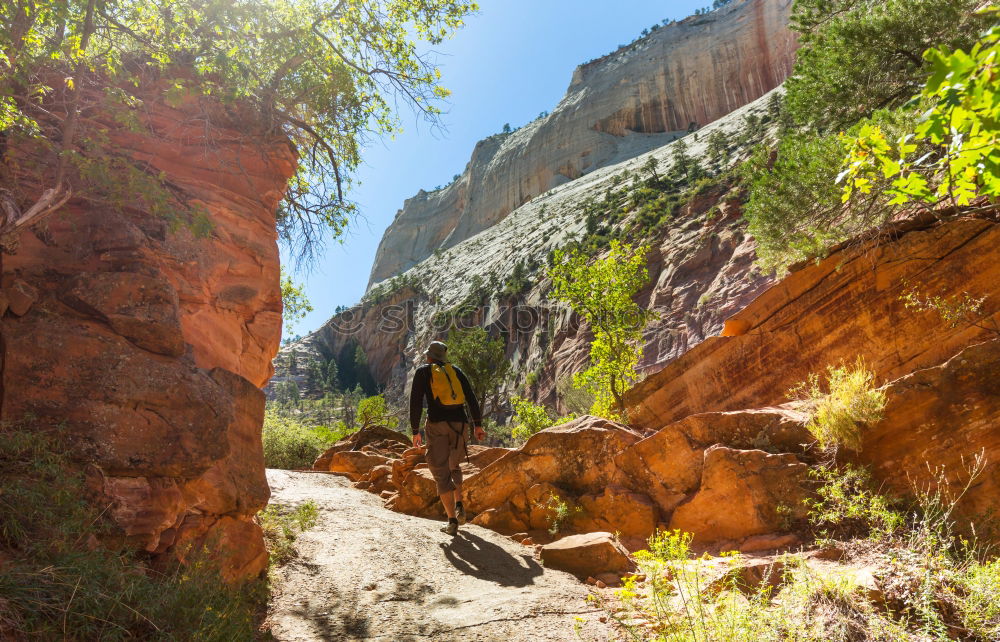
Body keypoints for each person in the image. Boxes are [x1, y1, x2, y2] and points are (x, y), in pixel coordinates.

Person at [409, 340, 486, 535]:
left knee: (440, 471)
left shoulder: (423, 372)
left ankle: (452, 520)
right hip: (461, 425)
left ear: (429, 356)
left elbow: (416, 402)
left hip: (437, 425)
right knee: (454, 465)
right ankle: (459, 502)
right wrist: (477, 425)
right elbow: (471, 398)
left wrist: (415, 430)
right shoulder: (456, 371)